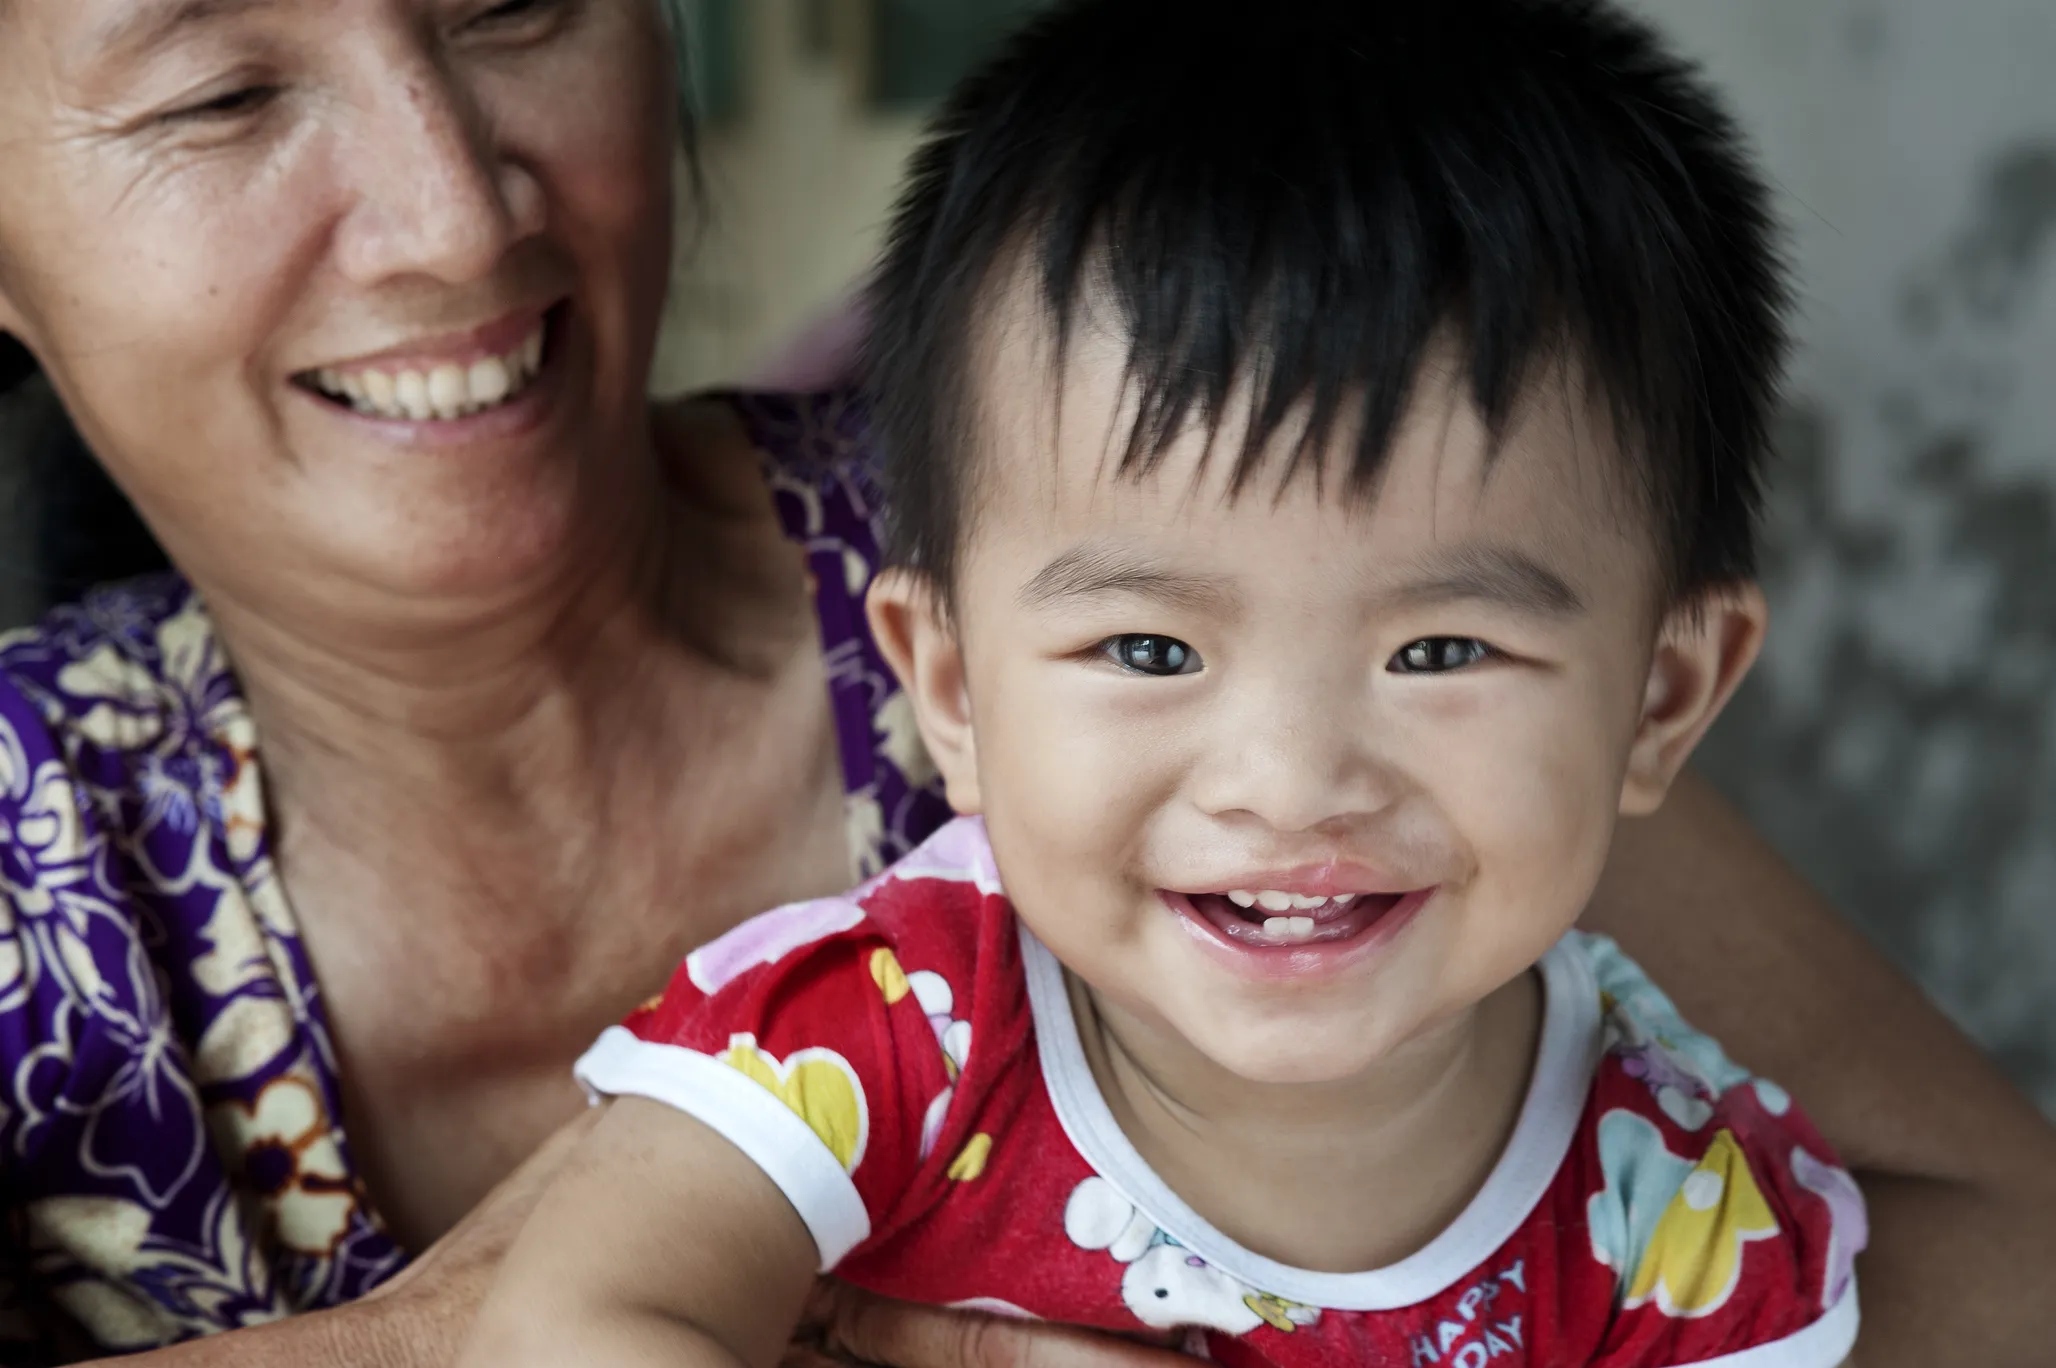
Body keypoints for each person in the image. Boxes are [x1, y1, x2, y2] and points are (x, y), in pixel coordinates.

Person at [0, 0, 2046, 1364]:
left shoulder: (1191, 507)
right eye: (217, 91)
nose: (449, 215)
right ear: (946, 681)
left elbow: (1987, 1256)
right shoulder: (912, 1003)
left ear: (1661, 697)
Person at [454, 2, 1861, 1363]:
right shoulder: (889, 1035)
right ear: (950, 688)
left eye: (1439, 651)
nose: (1292, 780)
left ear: (1667, 695)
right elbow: (574, 1327)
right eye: (1150, 650)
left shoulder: (1679, 1212)